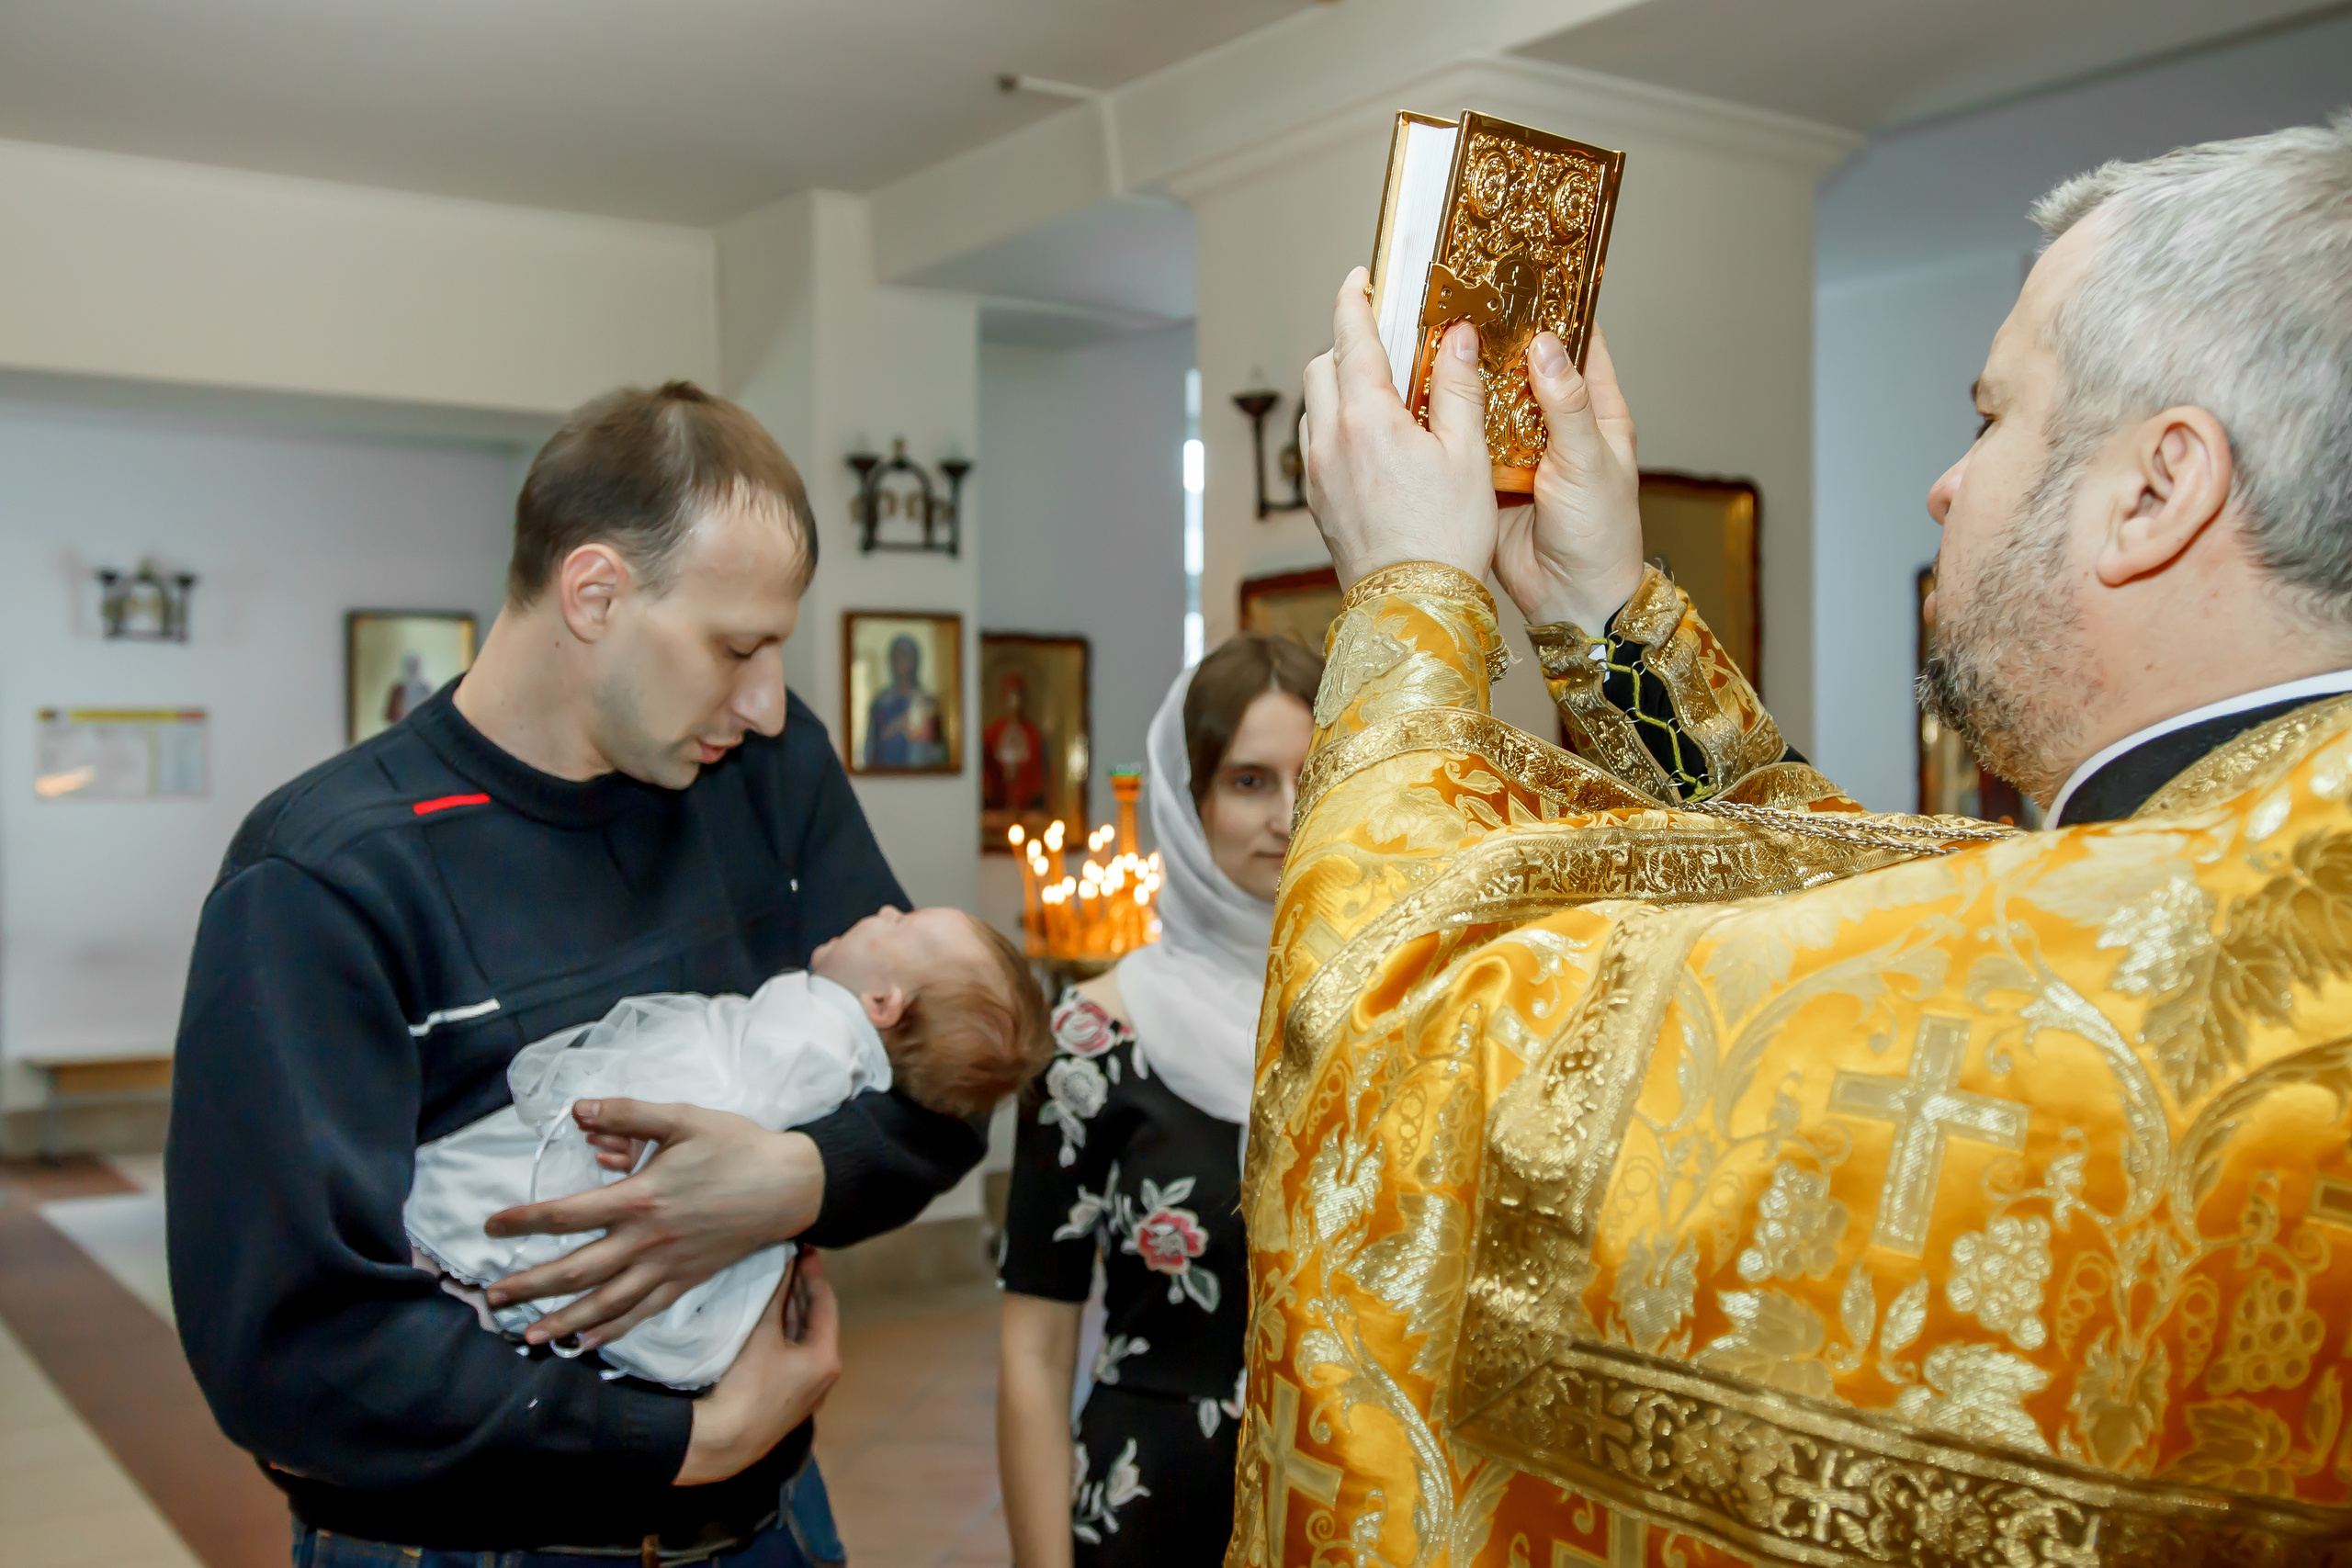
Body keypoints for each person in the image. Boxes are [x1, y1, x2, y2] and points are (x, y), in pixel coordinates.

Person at [1230, 120, 2352, 1566]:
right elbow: (1890, 912)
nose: (1948, 485)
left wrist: (1408, 596)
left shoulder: (2184, 954)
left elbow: (1401, 1039)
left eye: (1992, 418)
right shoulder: (2261, 866)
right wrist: (1602, 615)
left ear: (2157, 488)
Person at [169, 380, 988, 1567]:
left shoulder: (769, 774)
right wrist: (682, 1439)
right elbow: (291, 1346)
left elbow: (947, 1070)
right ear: (595, 593)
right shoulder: (328, 874)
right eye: (737, 647)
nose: (767, 703)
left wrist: (795, 1178)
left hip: (771, 1524)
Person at [410, 906, 1048, 1388]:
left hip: (639, 1151)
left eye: (900, 925)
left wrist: (645, 1133)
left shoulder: (819, 1040)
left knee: (510, 1208)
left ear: (882, 1002)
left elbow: (731, 1111)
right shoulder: (837, 1046)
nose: (884, 909)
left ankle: (460, 1283)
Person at [998, 633, 1321, 1568]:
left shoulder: (1399, 1022)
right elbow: (1033, 1352)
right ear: (1188, 798)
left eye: (1315, 777)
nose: (1289, 815)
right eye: (1250, 781)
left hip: (1356, 1510)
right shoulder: (1090, 1044)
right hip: (1155, 1505)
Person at [865, 633, 944, 768]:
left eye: (905, 657)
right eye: (896, 658)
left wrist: (920, 735)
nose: (900, 663)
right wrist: (894, 728)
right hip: (886, 774)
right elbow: (871, 748)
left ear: (914, 661)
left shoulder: (928, 701)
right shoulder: (880, 703)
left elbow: (939, 751)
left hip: (921, 775)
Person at [984, 672, 1047, 814]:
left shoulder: (1033, 735)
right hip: (997, 806)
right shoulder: (992, 733)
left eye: (1018, 696)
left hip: (1027, 806)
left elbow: (1038, 777)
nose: (1014, 702)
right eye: (1010, 696)